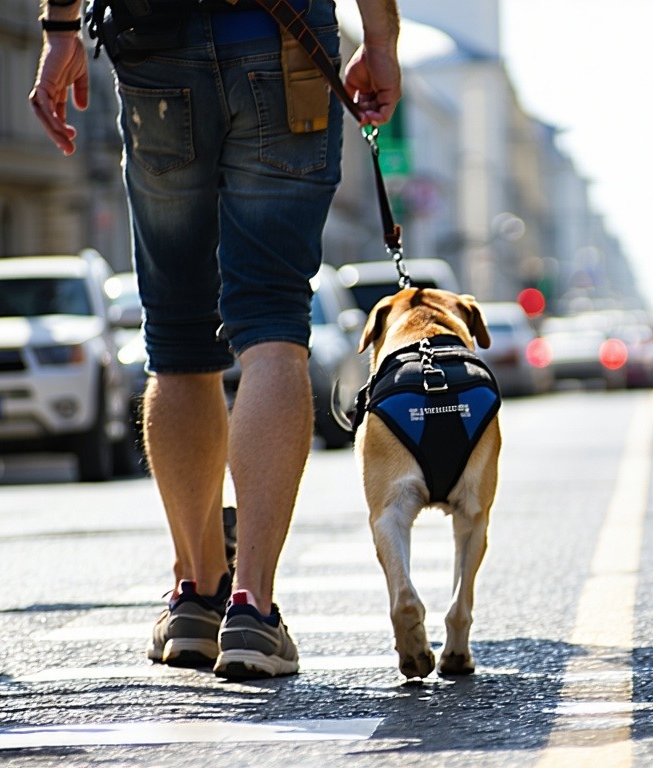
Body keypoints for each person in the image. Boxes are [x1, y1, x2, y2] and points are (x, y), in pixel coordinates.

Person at [29, 0, 401, 679]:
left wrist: (58, 29)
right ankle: (252, 608)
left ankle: (197, 597)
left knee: (175, 336)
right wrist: (380, 40)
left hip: (154, 41)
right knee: (272, 326)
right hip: (280, 35)